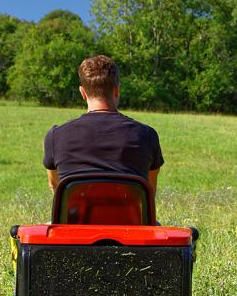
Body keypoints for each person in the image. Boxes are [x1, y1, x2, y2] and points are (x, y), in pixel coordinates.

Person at [42, 55, 164, 196]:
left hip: (74, 218)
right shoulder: (147, 135)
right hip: (129, 218)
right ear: (117, 90)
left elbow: (55, 186)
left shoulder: (56, 136)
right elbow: (150, 191)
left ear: (83, 93)